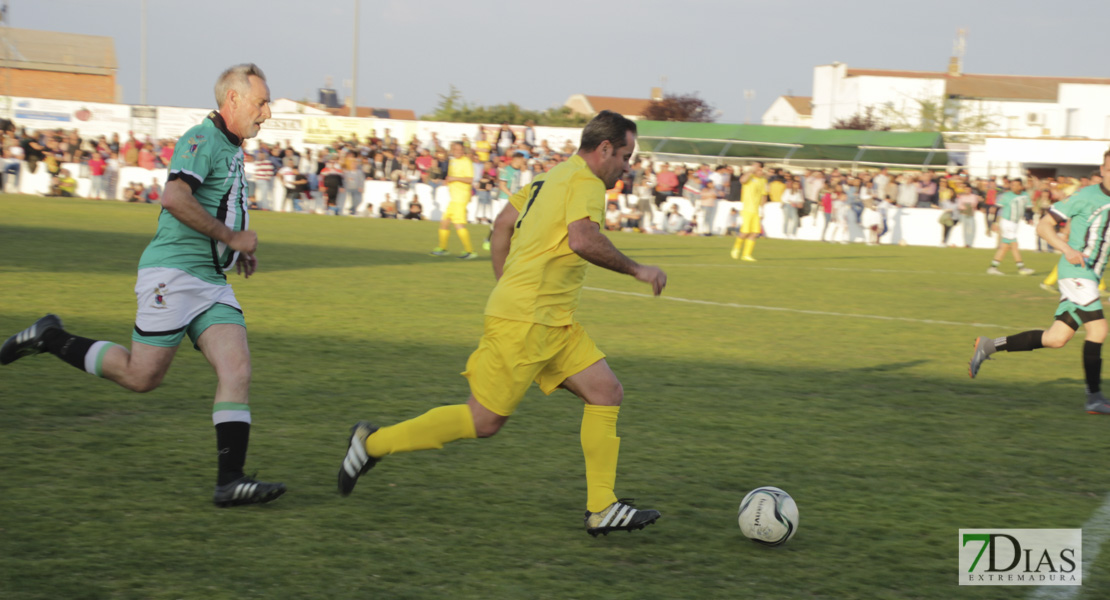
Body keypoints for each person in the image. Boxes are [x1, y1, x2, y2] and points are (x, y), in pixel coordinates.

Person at [337, 111, 667, 536]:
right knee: (483, 421)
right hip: (527, 322)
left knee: (606, 393)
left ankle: (602, 508)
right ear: (604, 149)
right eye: (625, 155)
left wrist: (506, 284)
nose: (627, 165)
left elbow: (501, 225)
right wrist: (637, 269)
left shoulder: (550, 177)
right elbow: (583, 240)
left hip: (550, 320)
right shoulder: (584, 182)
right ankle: (371, 443)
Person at [0, 64, 285, 507]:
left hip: (210, 281)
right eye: (261, 102)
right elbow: (174, 198)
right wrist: (230, 238)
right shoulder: (201, 138)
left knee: (238, 370)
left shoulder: (232, 147)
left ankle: (230, 481)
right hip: (172, 275)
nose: (267, 112)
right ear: (232, 100)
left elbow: (219, 205)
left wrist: (236, 249)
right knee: (141, 376)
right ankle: (50, 337)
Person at [970, 149, 1110, 415]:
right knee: (1098, 330)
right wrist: (1066, 249)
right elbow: (1044, 226)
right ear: (1102, 171)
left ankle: (989, 346)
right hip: (1075, 271)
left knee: (1056, 338)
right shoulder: (1084, 196)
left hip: (1091, 276)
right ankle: (1094, 397)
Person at [431, 141, 477, 259]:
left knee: (458, 224)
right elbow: (451, 178)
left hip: (461, 197)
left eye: (459, 149)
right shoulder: (452, 161)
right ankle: (443, 248)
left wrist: (454, 178)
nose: (457, 151)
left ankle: (470, 251)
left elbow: (470, 179)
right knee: (444, 222)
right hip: (454, 198)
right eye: (455, 149)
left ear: (463, 150)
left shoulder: (466, 162)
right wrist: (447, 180)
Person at [987, 179, 1035, 275]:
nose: (1014, 187)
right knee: (1014, 244)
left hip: (1015, 223)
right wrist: (994, 223)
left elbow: (1028, 209)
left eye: (1016, 185)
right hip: (1007, 222)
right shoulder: (1007, 196)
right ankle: (1021, 268)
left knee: (1004, 246)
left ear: (1021, 186)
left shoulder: (1025, 195)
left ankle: (993, 267)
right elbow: (996, 208)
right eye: (1012, 185)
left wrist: (1029, 218)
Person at [730, 161, 767, 261]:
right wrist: (751, 171)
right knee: (745, 232)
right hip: (747, 209)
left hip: (756, 210)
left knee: (755, 233)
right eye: (757, 168)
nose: (758, 171)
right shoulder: (750, 177)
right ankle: (736, 248)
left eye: (759, 169)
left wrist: (762, 209)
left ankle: (746, 255)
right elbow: (742, 180)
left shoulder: (763, 180)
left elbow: (764, 195)